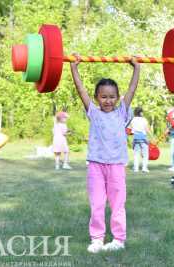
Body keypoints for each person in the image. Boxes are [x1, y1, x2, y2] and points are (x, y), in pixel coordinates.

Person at [70, 54, 140, 253]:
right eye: (103, 96)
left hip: (116, 165)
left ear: (117, 98)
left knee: (118, 204)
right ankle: (97, 239)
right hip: (96, 165)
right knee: (97, 204)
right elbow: (81, 90)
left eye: (112, 97)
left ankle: (118, 239)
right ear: (97, 98)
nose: (108, 100)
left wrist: (137, 69)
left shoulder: (122, 112)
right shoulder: (93, 112)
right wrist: (74, 68)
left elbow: (132, 89)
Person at [129, 107, 150, 172]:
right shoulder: (144, 120)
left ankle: (136, 168)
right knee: (145, 154)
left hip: (136, 138)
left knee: (136, 154)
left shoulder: (133, 120)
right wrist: (151, 137)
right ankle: (144, 168)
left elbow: (131, 129)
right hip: (143, 138)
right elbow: (146, 129)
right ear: (140, 113)